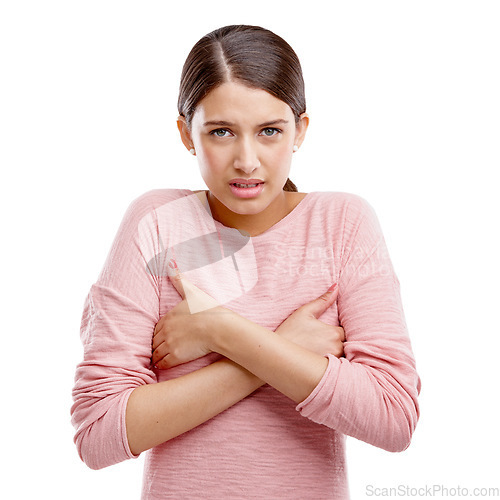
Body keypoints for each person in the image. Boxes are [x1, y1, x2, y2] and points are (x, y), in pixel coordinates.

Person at [71, 25, 420, 499]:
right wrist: (273, 352)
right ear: (185, 134)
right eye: (221, 132)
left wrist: (221, 331)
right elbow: (98, 432)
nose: (247, 161)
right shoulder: (157, 223)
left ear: (300, 130)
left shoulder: (343, 224)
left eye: (270, 131)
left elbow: (392, 417)